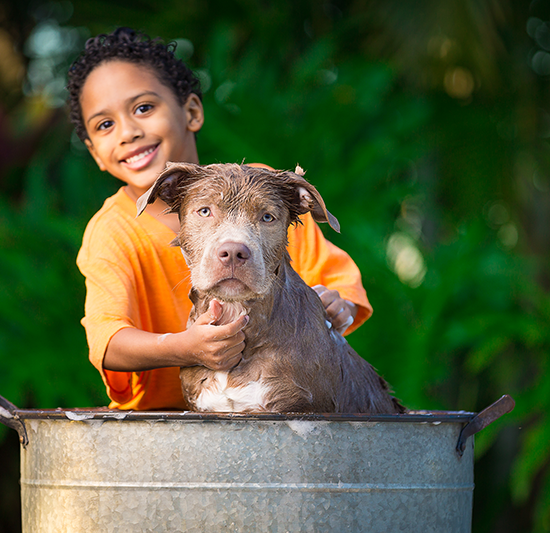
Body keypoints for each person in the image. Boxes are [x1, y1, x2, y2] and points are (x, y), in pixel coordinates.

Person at [67, 27, 372, 410]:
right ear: (95, 152)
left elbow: (331, 280)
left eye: (144, 107)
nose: (128, 132)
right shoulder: (113, 231)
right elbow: (106, 341)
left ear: (192, 112)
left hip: (277, 401)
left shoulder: (265, 190)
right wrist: (186, 347)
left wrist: (336, 304)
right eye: (105, 125)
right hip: (161, 423)